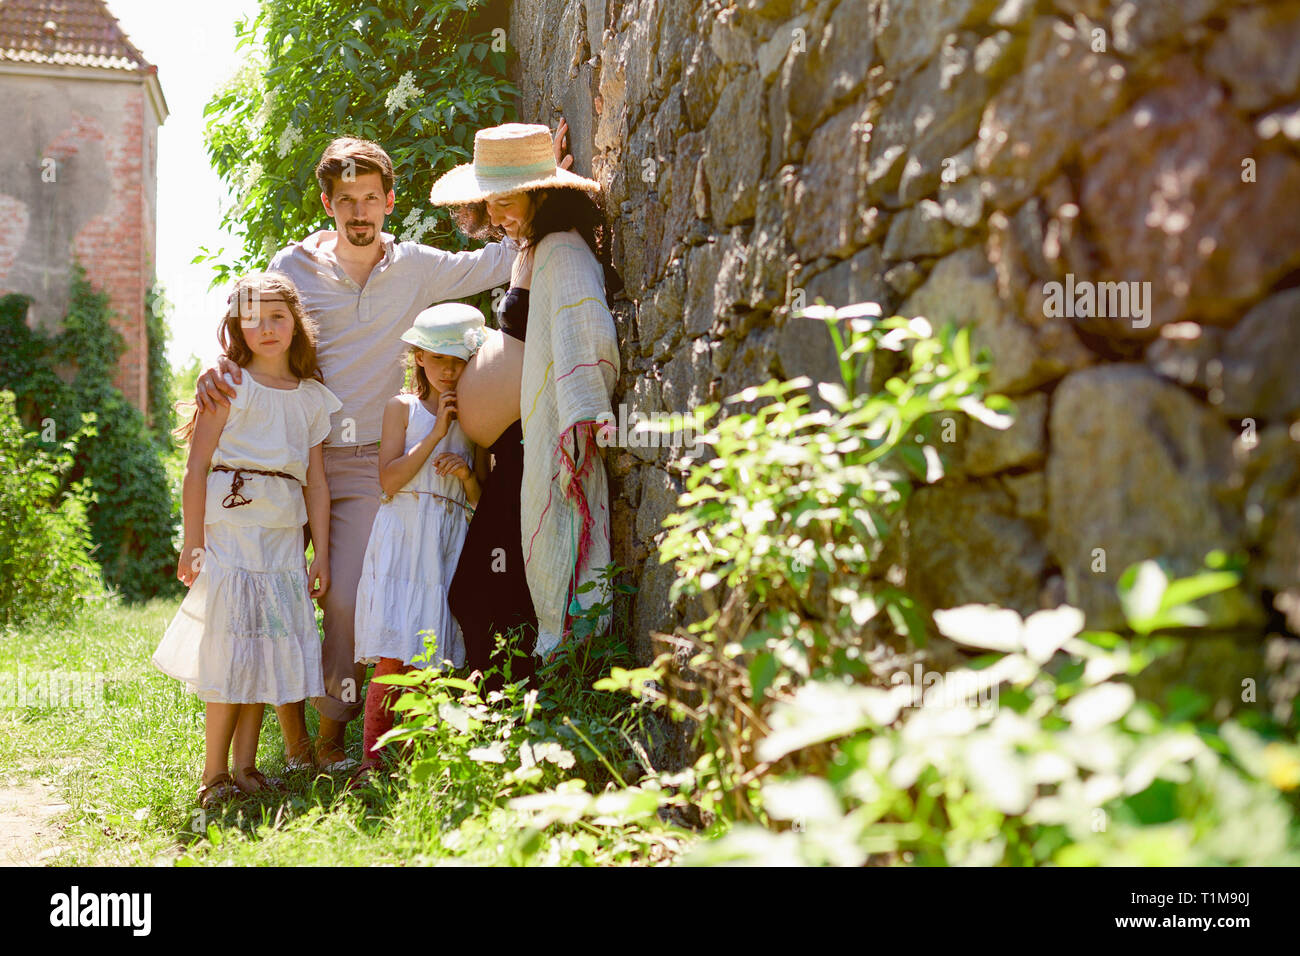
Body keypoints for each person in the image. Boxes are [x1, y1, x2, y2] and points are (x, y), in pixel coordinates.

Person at [192, 130, 570, 768]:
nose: (359, 211)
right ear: (328, 205)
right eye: (347, 200)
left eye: (371, 198)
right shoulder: (293, 266)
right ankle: (261, 742)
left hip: (369, 462)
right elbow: (251, 319)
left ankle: (334, 735)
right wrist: (212, 365)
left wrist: (537, 189)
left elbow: (496, 263)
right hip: (293, 459)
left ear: (390, 201)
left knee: (343, 595)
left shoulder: (417, 267)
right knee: (271, 595)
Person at [430, 122, 621, 669]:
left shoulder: (560, 250)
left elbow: (583, 330)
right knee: (491, 591)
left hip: (529, 448)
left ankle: (515, 716)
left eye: (505, 201)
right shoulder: (538, 245)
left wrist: (581, 414)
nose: (494, 216)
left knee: (482, 593)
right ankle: (511, 717)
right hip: (511, 452)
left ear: (541, 194)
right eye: (489, 202)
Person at [153, 273, 340, 807]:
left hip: (283, 541)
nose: (266, 328)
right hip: (232, 533)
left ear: (297, 324)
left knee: (262, 649)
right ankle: (213, 773)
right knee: (231, 647)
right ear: (237, 324)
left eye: (278, 316)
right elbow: (197, 467)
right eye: (252, 318)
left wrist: (320, 552)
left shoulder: (311, 399)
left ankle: (246, 767)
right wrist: (192, 541)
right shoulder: (229, 385)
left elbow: (318, 484)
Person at [352, 303, 489, 773]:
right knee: (396, 646)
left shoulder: (478, 418)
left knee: (433, 651)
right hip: (405, 534)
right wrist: (436, 436)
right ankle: (373, 760)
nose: (448, 371)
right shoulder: (402, 409)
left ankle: (418, 760)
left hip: (448, 538)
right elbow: (388, 482)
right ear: (419, 358)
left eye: (458, 360)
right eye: (438, 358)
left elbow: (480, 500)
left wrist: (469, 475)